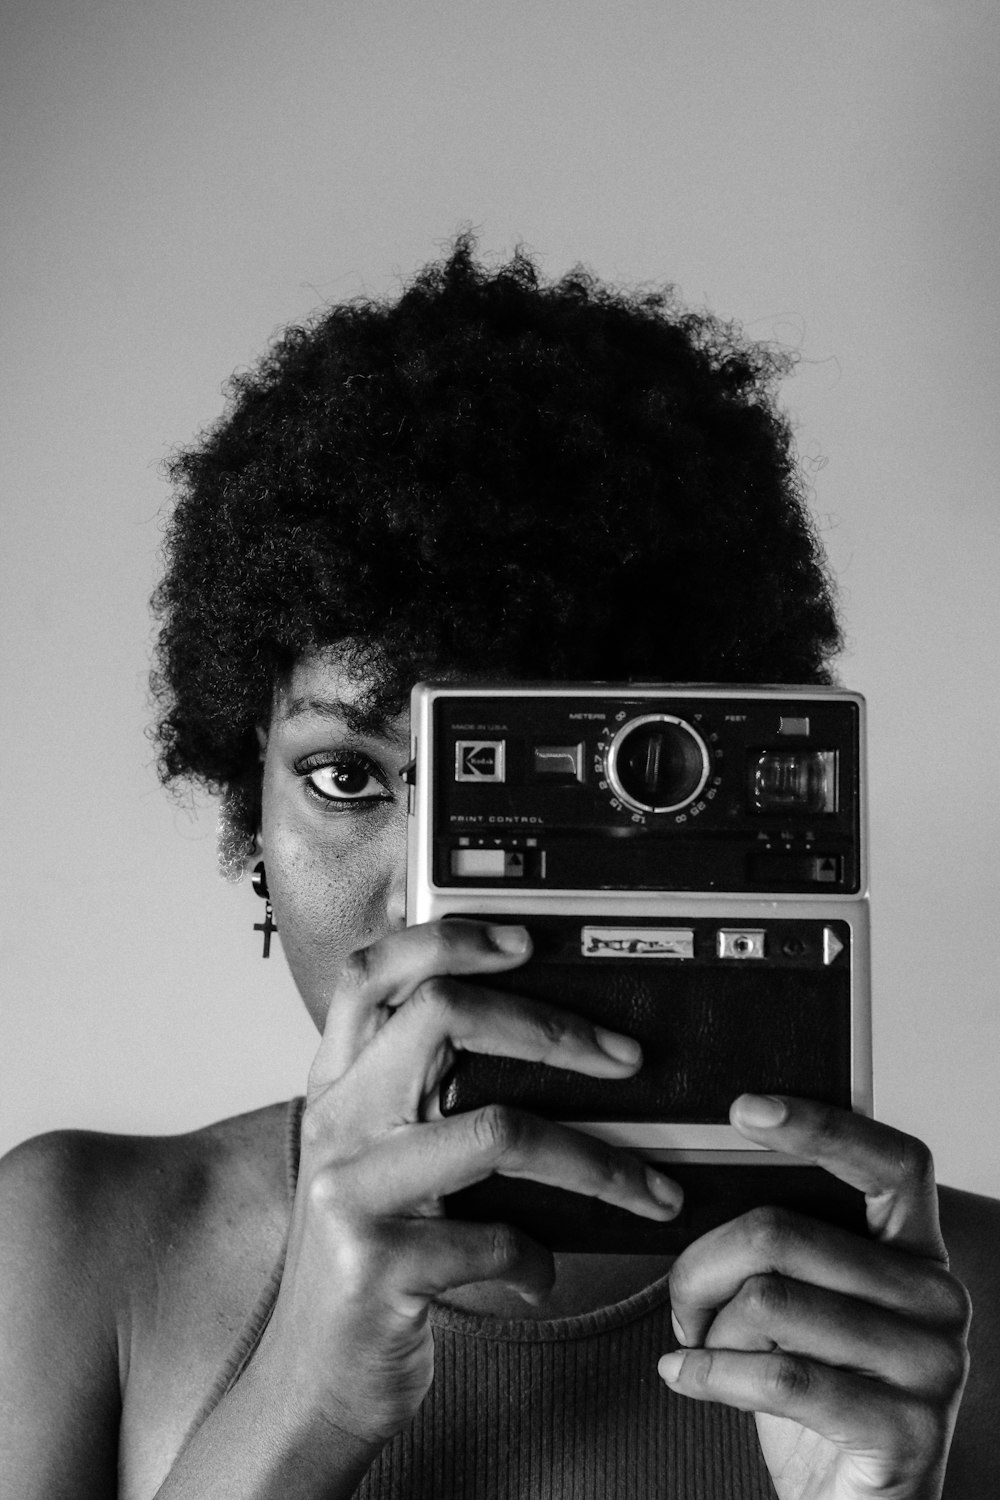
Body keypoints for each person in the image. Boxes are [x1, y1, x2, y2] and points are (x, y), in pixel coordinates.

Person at [1, 237, 996, 1500]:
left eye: (517, 798)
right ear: (245, 802)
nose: (433, 905)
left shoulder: (950, 1317)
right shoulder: (66, 1255)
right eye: (349, 778)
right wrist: (296, 1398)